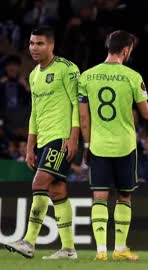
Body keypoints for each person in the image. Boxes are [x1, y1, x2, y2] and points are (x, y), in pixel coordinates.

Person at [78, 30, 148, 261]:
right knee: (124, 197)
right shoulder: (132, 76)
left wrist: (87, 145)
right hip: (125, 146)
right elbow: (147, 113)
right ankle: (120, 248)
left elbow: (83, 118)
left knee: (99, 196)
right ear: (126, 50)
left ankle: (100, 251)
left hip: (98, 145)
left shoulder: (86, 77)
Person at [4, 25, 80, 260]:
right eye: (31, 43)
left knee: (39, 183)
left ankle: (29, 242)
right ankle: (68, 249)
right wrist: (29, 147)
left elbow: (77, 105)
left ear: (51, 45)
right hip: (43, 140)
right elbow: (35, 114)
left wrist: (74, 137)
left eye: (40, 43)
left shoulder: (67, 69)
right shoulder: (34, 75)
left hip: (61, 137)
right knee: (57, 190)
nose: (34, 48)